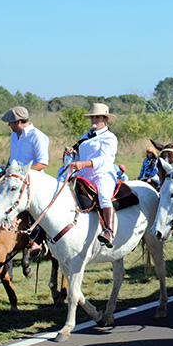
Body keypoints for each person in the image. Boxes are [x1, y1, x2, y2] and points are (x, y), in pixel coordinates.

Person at [66, 103, 118, 247]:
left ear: (105, 119)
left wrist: (83, 164)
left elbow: (104, 159)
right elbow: (80, 157)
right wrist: (72, 156)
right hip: (83, 174)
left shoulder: (110, 137)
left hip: (102, 173)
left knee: (104, 196)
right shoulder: (86, 136)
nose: (94, 120)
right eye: (92, 117)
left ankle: (109, 232)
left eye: (97, 117)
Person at [2, 106, 49, 171]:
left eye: (10, 122)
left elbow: (42, 164)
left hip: (31, 177)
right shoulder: (13, 134)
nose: (9, 125)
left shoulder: (37, 136)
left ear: (18, 122)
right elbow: (13, 157)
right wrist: (4, 171)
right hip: (13, 176)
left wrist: (22, 172)